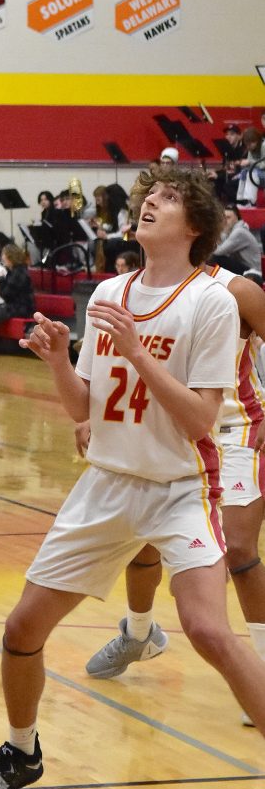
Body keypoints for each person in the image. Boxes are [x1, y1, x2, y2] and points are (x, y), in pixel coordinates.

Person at [0, 164, 265, 789]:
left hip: (182, 486)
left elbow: (200, 419)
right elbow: (86, 410)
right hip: (106, 484)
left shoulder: (211, 302)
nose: (148, 203)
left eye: (165, 198)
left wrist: (137, 354)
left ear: (195, 226)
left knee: (209, 632)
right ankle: (20, 750)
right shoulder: (106, 295)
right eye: (147, 196)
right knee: (21, 628)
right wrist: (54, 363)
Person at [84, 261, 265, 727]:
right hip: (170, 430)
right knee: (139, 534)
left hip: (233, 428)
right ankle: (139, 632)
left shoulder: (236, 290)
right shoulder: (133, 290)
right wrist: (91, 416)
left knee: (240, 550)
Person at [210, 204, 262, 275]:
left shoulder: (239, 232)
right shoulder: (232, 230)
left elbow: (219, 252)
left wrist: (224, 232)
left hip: (252, 272)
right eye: (223, 218)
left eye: (228, 218)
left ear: (237, 218)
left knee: (216, 257)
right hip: (244, 267)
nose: (225, 221)